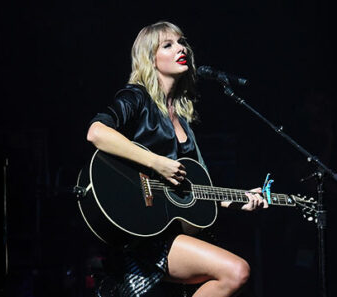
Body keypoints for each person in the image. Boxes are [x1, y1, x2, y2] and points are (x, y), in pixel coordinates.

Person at [86, 21, 267, 297]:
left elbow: (189, 189)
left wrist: (237, 200)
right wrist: (156, 162)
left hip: (169, 230)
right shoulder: (137, 98)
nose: (181, 48)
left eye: (182, 42)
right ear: (150, 58)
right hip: (142, 232)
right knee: (236, 270)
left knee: (237, 272)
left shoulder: (183, 118)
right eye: (168, 45)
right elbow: (96, 132)